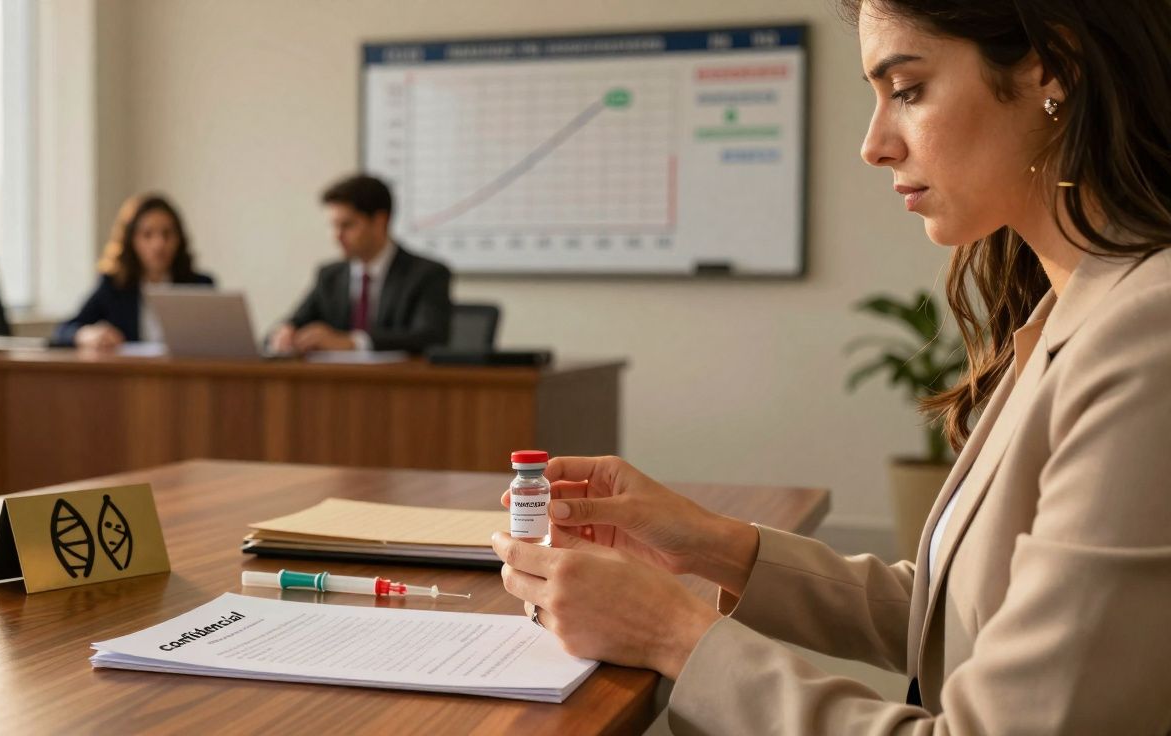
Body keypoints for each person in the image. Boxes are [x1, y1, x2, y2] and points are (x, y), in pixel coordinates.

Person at [492, 1, 1171, 732]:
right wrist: (709, 543)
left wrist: (671, 634)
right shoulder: (1069, 311)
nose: (874, 144)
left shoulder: (1145, 335)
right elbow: (963, 610)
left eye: (907, 90)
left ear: (1054, 69)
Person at [268, 175, 452, 354]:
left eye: (347, 225)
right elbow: (296, 321)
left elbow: (430, 335)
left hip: (399, 382)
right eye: (334, 226)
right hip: (335, 382)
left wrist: (351, 342)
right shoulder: (330, 275)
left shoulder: (427, 274)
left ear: (380, 221)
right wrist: (286, 332)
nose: (337, 236)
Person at [52, 194, 214, 350]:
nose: (158, 244)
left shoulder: (200, 285)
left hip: (185, 375)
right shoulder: (114, 286)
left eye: (167, 234)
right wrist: (87, 335)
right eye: (147, 235)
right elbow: (63, 331)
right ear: (131, 241)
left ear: (179, 239)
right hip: (130, 375)